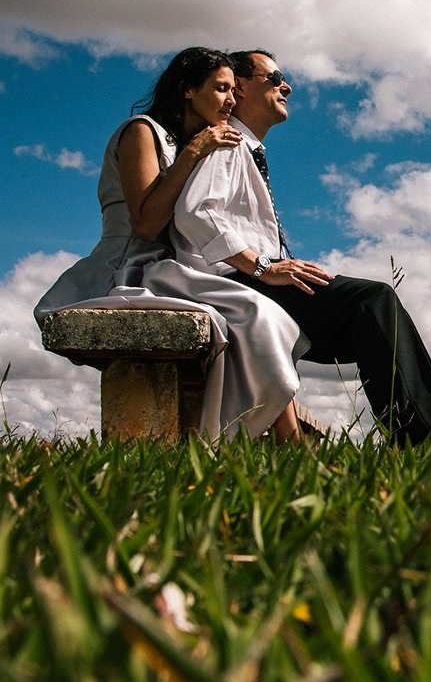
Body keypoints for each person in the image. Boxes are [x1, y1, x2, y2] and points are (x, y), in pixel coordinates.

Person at [170, 48, 431, 445]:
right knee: (370, 302)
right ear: (239, 89)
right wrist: (262, 267)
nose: (286, 85)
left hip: (255, 282)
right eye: (273, 78)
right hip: (236, 286)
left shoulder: (246, 148)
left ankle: (418, 439)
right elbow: (193, 214)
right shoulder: (227, 144)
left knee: (371, 314)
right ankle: (421, 441)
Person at [36, 47, 312, 443]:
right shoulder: (142, 132)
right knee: (255, 311)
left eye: (234, 90)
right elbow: (147, 224)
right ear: (187, 90)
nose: (231, 100)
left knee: (256, 310)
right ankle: (271, 441)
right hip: (129, 266)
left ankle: (280, 438)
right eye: (220, 89)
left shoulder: (188, 140)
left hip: (172, 267)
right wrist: (196, 151)